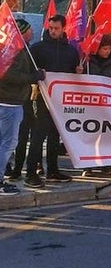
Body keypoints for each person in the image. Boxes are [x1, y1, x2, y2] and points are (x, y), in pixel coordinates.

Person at [25, 14, 81, 188]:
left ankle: (53, 171)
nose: (53, 31)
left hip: (62, 101)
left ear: (64, 28)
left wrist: (78, 71)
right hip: (41, 98)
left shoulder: (71, 51)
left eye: (56, 28)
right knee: (38, 136)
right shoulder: (38, 48)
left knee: (56, 136)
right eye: (51, 28)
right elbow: (28, 72)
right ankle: (31, 174)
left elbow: (73, 74)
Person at [0, 19, 45, 195]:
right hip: (9, 102)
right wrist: (34, 76)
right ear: (22, 32)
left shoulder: (15, 49)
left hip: (10, 101)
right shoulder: (14, 51)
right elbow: (10, 76)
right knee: (7, 144)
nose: (32, 32)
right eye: (29, 29)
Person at [82, 35, 111, 176]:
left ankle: (105, 163)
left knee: (105, 134)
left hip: (107, 103)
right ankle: (88, 165)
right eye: (104, 49)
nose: (107, 51)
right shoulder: (87, 60)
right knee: (89, 134)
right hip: (90, 102)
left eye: (109, 48)